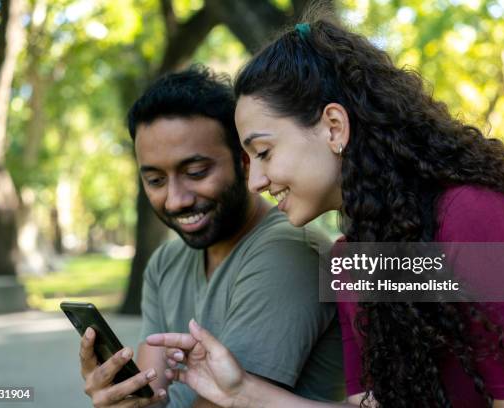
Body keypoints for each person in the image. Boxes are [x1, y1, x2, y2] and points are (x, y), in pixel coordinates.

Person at [148, 17, 504, 408]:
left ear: (334, 126)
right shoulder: (353, 261)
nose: (255, 179)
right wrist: (242, 391)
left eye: (264, 152)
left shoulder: (475, 217)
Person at [77, 66, 346, 407]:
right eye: (156, 180)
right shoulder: (165, 262)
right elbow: (152, 395)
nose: (176, 199)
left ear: (244, 162)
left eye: (196, 172)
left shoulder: (290, 253)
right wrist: (120, 398)